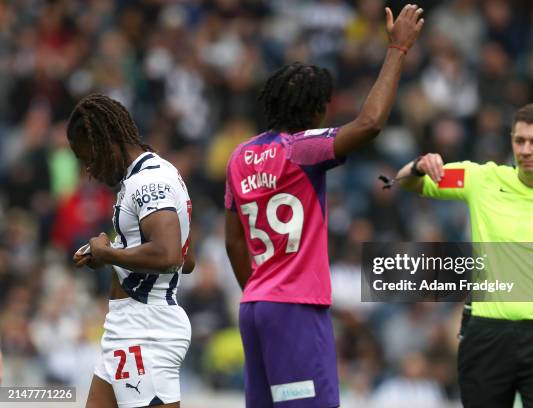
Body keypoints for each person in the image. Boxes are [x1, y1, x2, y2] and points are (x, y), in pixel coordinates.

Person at [224, 4, 424, 407]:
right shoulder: (303, 147)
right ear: (315, 111)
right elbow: (369, 124)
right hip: (295, 307)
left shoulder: (240, 155)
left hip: (255, 306)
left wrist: (262, 291)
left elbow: (232, 243)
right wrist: (397, 50)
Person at [395, 103, 533, 407]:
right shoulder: (482, 179)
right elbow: (404, 181)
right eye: (519, 140)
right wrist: (420, 164)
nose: (526, 150)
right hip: (486, 336)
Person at [68, 94, 195, 408]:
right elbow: (186, 259)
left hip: (146, 328)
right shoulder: (154, 173)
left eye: (89, 158)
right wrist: (111, 252)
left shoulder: (149, 181)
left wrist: (108, 254)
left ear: (105, 141)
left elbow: (169, 257)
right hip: (126, 327)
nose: (89, 170)